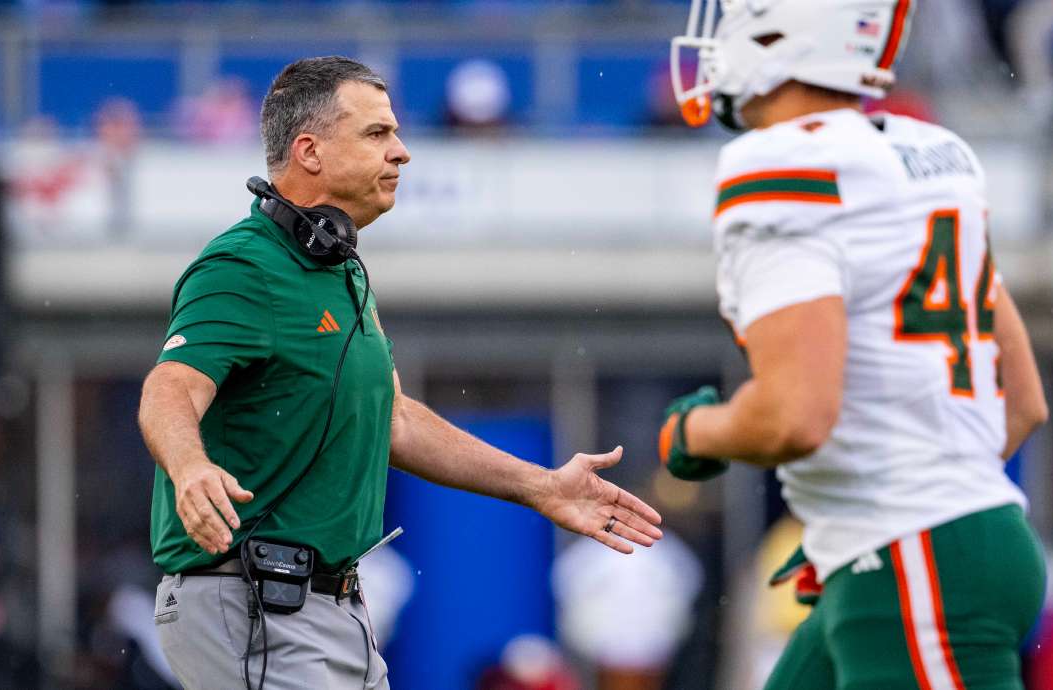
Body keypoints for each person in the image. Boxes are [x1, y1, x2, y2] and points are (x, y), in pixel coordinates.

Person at [137, 56, 663, 690]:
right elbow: (168, 387)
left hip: (327, 614)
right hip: (254, 608)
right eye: (377, 134)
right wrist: (190, 468)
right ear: (309, 151)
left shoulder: (343, 270)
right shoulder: (241, 266)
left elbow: (396, 420)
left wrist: (540, 486)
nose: (402, 152)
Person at [661, 2, 1050, 688]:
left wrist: (693, 433)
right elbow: (1021, 404)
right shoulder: (934, 152)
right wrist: (863, 515)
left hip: (915, 563)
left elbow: (794, 416)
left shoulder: (785, 162)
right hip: (931, 548)